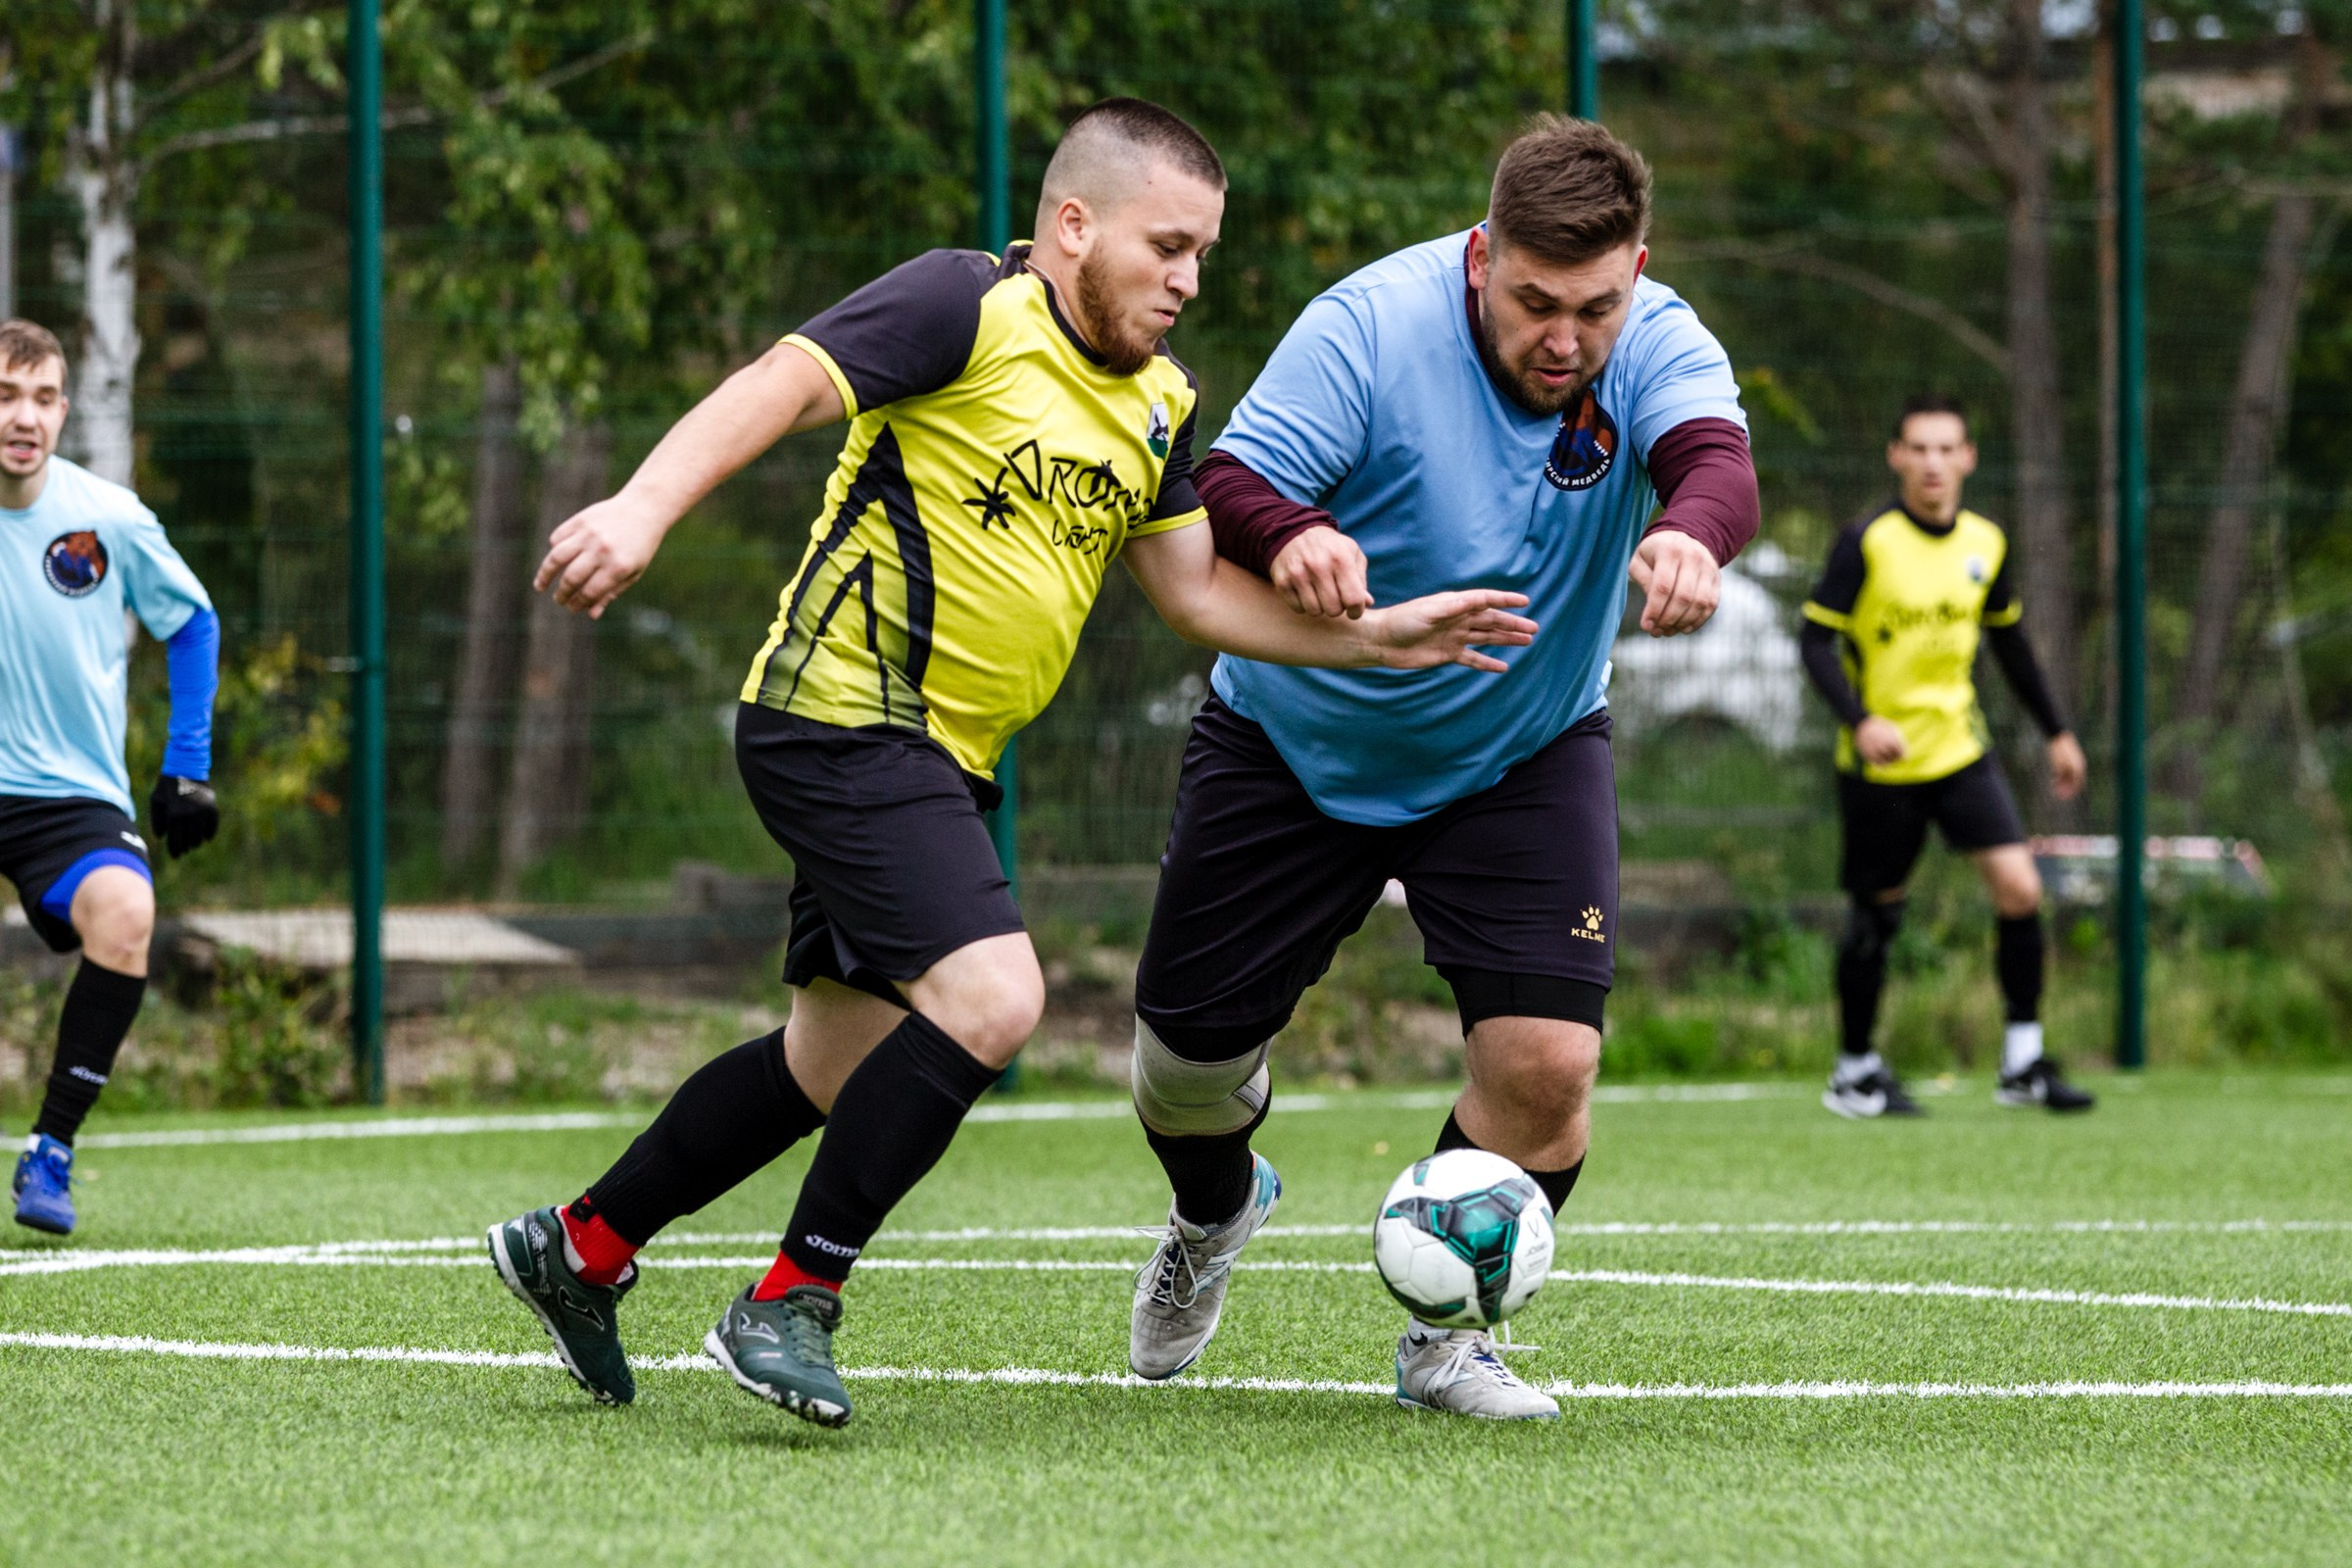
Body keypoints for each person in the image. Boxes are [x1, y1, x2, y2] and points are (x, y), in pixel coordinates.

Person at [484, 98, 1537, 1428]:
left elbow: (1199, 598)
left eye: (1203, 253)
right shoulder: (965, 308)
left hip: (941, 761)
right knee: (994, 998)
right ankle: (789, 1299)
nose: (1189, 281)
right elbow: (780, 383)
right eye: (1167, 246)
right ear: (1073, 224)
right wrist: (640, 508)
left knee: (830, 1061)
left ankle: (580, 1247)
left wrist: (1379, 639)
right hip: (840, 714)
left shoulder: (1160, 401)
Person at [1119, 116, 1758, 1421]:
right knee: (1184, 1068)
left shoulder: (1660, 336)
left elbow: (1715, 464)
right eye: (1534, 303)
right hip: (1298, 738)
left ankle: (1449, 1337)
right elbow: (1231, 479)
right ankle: (1214, 1208)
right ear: (1483, 258)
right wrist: (1293, 533)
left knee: (1548, 1068)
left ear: (1638, 268)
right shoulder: (1370, 325)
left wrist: (1692, 537)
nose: (1566, 338)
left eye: (1596, 305)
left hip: (1521, 747)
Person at [1800, 393, 2093, 1119]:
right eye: (1918, 449)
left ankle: (2023, 1061)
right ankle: (1854, 1070)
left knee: (2021, 890)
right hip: (1882, 764)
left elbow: (2010, 641)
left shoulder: (1986, 543)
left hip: (1960, 751)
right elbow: (1813, 641)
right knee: (1878, 915)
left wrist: (2057, 730)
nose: (1933, 463)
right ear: (1897, 456)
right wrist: (1861, 719)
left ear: (1968, 458)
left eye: (1946, 449)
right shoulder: (1866, 540)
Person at [0, 318, 221, 1235]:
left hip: (68, 796)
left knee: (127, 914)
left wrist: (187, 768)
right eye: (7, 396)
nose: (24, 417)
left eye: (43, 398)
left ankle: (52, 1152)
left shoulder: (109, 518)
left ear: (63, 410)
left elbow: (193, 622)